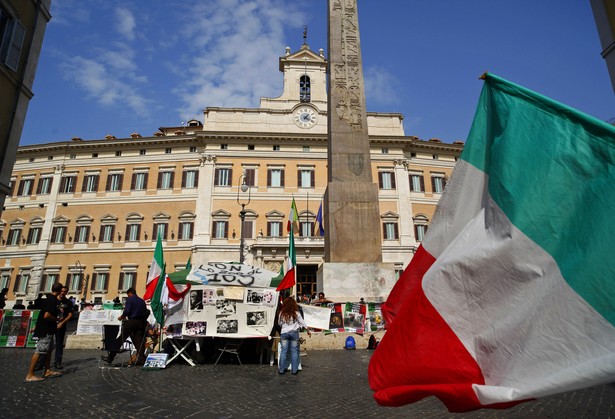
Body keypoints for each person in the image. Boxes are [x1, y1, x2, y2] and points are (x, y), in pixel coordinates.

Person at [24, 282, 64, 382]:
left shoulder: (48, 299)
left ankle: (47, 370)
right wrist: (56, 319)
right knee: (39, 351)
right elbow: (46, 315)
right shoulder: (52, 300)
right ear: (59, 291)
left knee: (49, 350)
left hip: (49, 329)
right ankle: (30, 374)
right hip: (46, 330)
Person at [102, 287, 149, 365]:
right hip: (140, 322)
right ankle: (143, 360)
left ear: (130, 293)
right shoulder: (142, 301)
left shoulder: (130, 299)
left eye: (128, 295)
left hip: (131, 322)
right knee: (139, 342)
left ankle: (110, 358)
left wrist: (122, 316)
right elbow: (145, 311)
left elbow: (127, 310)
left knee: (120, 339)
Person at [277, 297, 311, 375]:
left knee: (283, 351)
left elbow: (279, 323)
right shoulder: (296, 313)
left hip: (284, 333)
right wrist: (308, 330)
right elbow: (302, 322)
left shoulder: (282, 313)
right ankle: (294, 370)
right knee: (295, 351)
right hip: (294, 333)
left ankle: (281, 370)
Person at [54, 286, 74, 369]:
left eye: (65, 291)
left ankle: (58, 362)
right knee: (46, 344)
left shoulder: (68, 302)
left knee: (59, 344)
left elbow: (70, 314)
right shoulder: (53, 300)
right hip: (51, 324)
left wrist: (62, 323)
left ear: (67, 292)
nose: (63, 293)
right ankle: (41, 363)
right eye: (61, 291)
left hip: (61, 325)